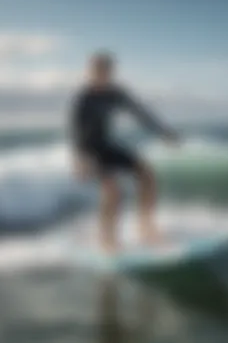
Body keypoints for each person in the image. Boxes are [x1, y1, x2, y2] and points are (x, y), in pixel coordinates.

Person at [70, 51, 179, 253]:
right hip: (90, 151)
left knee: (147, 174)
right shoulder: (84, 98)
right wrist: (79, 160)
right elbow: (76, 130)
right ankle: (107, 239)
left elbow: (141, 113)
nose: (99, 75)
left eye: (104, 71)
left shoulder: (116, 94)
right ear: (90, 72)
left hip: (106, 145)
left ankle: (146, 227)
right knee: (112, 191)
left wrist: (163, 132)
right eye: (95, 71)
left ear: (110, 72)